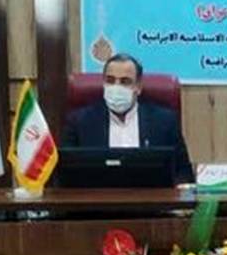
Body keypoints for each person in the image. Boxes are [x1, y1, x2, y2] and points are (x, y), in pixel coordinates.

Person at [61, 53, 193, 184]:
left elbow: (184, 174)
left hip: (150, 196)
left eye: (125, 82)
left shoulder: (165, 121)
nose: (116, 87)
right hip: (97, 196)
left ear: (138, 87)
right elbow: (64, 176)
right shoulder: (79, 121)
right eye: (110, 80)